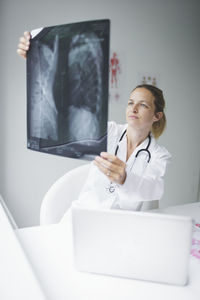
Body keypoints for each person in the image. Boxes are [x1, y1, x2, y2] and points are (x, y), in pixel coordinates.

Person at [17, 32, 171, 212]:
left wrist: (125, 178)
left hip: (123, 225)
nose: (133, 108)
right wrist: (37, 61)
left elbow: (155, 189)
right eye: (130, 103)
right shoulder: (109, 132)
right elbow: (63, 104)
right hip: (85, 214)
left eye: (143, 105)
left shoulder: (159, 155)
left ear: (157, 116)